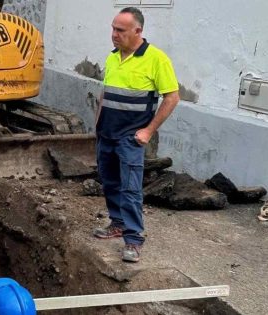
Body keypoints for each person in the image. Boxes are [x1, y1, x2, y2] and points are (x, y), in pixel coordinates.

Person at [92, 7, 180, 263]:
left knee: (130, 189)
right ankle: (117, 223)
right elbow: (104, 95)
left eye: (120, 30)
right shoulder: (112, 58)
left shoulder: (156, 59)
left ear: (138, 31)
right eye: (113, 29)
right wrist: (97, 126)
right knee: (109, 182)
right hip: (106, 134)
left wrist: (148, 131)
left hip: (130, 138)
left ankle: (133, 240)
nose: (114, 35)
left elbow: (172, 97)